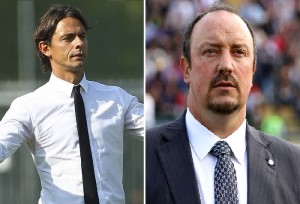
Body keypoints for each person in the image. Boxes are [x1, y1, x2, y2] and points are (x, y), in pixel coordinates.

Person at [146, 2, 300, 204]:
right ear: (186, 69)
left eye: (239, 52)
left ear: (253, 70)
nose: (226, 65)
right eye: (211, 51)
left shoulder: (294, 166)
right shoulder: (146, 155)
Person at [0, 4, 144, 204]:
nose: (79, 43)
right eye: (68, 38)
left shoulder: (116, 99)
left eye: (82, 36)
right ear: (45, 48)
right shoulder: (29, 107)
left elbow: (159, 131)